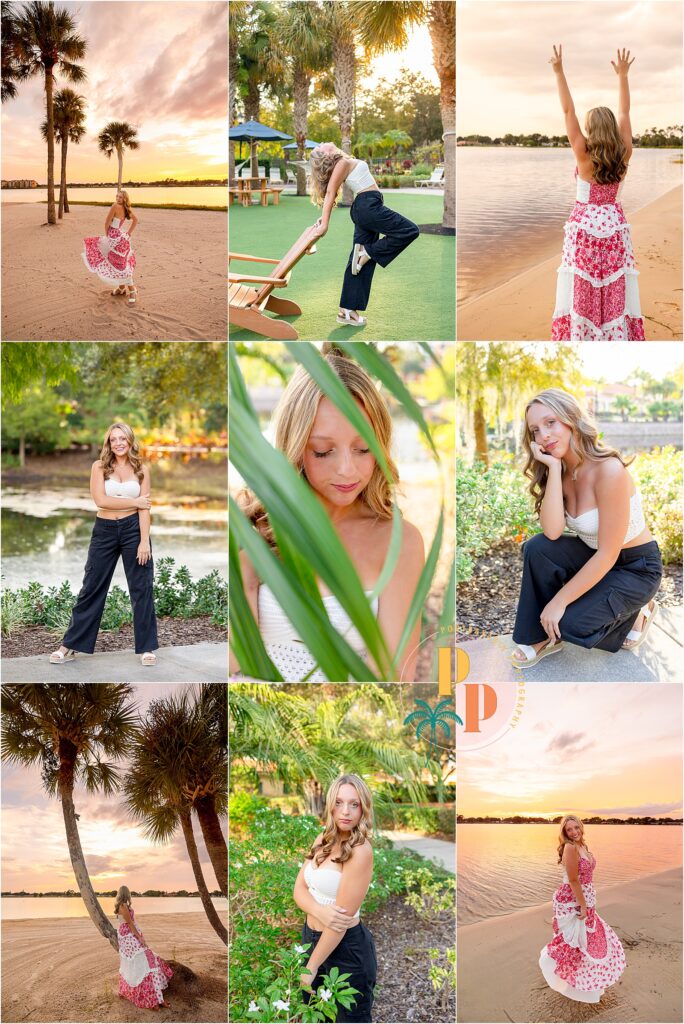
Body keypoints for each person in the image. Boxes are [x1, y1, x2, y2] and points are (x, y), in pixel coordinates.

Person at [230, 346, 425, 681]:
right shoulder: (250, 529)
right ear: (295, 445)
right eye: (323, 452)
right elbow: (233, 669)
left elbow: (392, 681)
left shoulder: (400, 542)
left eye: (363, 449)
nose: (347, 470)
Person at [511, 389, 662, 668]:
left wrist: (558, 602)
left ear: (571, 420)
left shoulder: (609, 471)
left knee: (569, 624)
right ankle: (539, 637)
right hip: (596, 558)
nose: (543, 434)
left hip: (636, 567)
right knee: (538, 547)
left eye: (550, 422)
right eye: (535, 430)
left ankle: (636, 610)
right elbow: (553, 533)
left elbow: (608, 554)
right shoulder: (561, 471)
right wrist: (554, 470)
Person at [549, 45, 645, 340]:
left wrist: (558, 71)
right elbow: (625, 110)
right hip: (614, 228)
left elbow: (568, 110)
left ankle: (584, 334)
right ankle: (612, 334)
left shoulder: (582, 152)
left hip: (584, 230)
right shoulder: (624, 151)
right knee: (612, 286)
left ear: (590, 129)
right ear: (612, 128)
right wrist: (623, 76)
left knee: (584, 285)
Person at [49, 422, 159, 667]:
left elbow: (145, 509)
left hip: (134, 531)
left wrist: (144, 542)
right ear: (108, 443)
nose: (118, 443)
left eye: (122, 438)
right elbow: (101, 501)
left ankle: (147, 647)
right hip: (105, 531)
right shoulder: (99, 467)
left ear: (130, 440)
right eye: (113, 439)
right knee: (91, 587)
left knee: (142, 588)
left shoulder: (142, 469)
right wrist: (137, 502)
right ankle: (69, 646)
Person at [293, 774, 377, 1023]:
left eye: (354, 804)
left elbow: (339, 922)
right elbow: (298, 889)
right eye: (339, 803)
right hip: (310, 939)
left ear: (364, 807)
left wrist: (311, 967)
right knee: (314, 1016)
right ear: (330, 805)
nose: (346, 811)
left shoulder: (361, 851)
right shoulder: (322, 840)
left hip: (346, 950)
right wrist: (320, 911)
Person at [308, 144, 419, 327]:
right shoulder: (342, 162)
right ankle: (367, 252)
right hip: (368, 206)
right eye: (320, 146)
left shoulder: (343, 162)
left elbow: (330, 192)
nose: (322, 143)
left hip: (365, 207)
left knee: (356, 264)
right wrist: (325, 223)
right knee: (409, 230)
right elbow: (330, 192)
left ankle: (347, 310)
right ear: (325, 154)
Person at [539, 816, 626, 1002]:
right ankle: (562, 979)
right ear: (564, 833)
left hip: (585, 897)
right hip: (573, 900)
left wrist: (588, 901)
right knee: (574, 942)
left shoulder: (583, 846)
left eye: (576, 827)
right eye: (569, 830)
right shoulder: (569, 848)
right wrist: (583, 906)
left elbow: (585, 877)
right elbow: (572, 880)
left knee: (588, 941)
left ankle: (584, 985)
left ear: (581, 827)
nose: (573, 832)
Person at [115, 885, 173, 1010]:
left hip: (127, 937)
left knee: (145, 963)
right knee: (148, 963)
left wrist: (140, 935)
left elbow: (131, 923)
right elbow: (130, 924)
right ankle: (155, 1000)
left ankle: (157, 999)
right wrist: (139, 938)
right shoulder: (123, 906)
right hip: (128, 938)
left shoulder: (123, 905)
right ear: (127, 894)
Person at [83, 189, 138, 305]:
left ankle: (132, 290)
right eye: (117, 197)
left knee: (119, 266)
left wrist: (108, 237)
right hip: (121, 238)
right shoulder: (125, 208)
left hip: (115, 238)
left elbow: (106, 223)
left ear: (125, 199)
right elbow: (135, 220)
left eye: (120, 197)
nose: (118, 199)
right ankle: (122, 288)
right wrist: (128, 233)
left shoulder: (115, 206)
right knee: (118, 264)